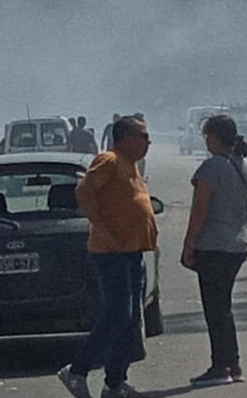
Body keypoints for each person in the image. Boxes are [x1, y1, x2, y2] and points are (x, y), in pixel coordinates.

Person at [58, 116, 158, 398]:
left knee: (131, 321)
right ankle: (77, 371)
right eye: (143, 136)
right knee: (117, 316)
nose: (148, 142)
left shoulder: (131, 165)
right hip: (111, 253)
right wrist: (101, 226)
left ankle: (114, 383)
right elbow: (83, 190)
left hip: (132, 252)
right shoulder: (110, 160)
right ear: (125, 138)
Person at [181, 115, 247, 386]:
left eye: (207, 136)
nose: (206, 141)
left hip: (214, 246)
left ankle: (220, 366)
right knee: (224, 308)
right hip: (237, 244)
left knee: (215, 309)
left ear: (215, 137)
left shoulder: (212, 167)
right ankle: (232, 363)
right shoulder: (243, 165)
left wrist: (189, 243)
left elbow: (199, 210)